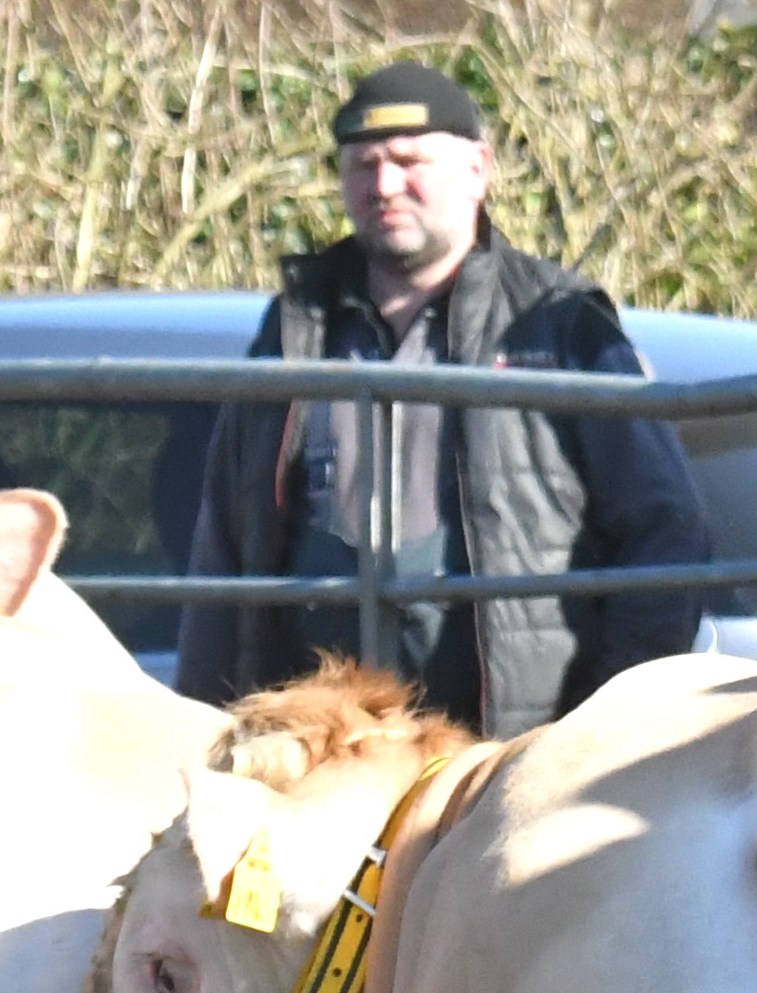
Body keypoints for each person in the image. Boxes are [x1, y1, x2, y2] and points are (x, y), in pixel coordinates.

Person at [177, 61, 717, 735]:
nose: (383, 185)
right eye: (363, 165)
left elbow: (665, 530)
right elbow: (226, 545)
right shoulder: (295, 326)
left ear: (477, 170)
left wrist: (599, 730)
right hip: (328, 752)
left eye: (409, 162)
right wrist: (202, 730)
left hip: (507, 752)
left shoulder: (555, 323)